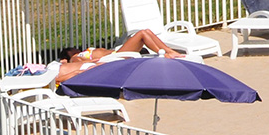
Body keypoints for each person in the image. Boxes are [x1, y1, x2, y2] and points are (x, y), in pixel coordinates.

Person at [54, 30, 183, 82]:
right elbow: (80, 61)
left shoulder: (83, 52)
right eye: (71, 49)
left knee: (146, 32)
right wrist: (93, 60)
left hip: (116, 54)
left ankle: (168, 51)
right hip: (114, 57)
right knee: (142, 34)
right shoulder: (76, 57)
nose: (74, 49)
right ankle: (167, 52)